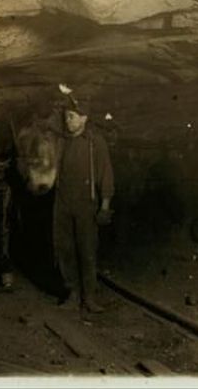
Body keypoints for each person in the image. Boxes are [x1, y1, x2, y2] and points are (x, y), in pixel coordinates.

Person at [54, 93, 114, 313]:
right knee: (64, 249)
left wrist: (105, 205)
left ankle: (89, 297)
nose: (67, 121)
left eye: (71, 117)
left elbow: (105, 174)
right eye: (66, 117)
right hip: (62, 203)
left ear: (84, 118)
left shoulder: (94, 143)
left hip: (86, 204)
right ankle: (71, 293)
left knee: (87, 250)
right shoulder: (61, 141)